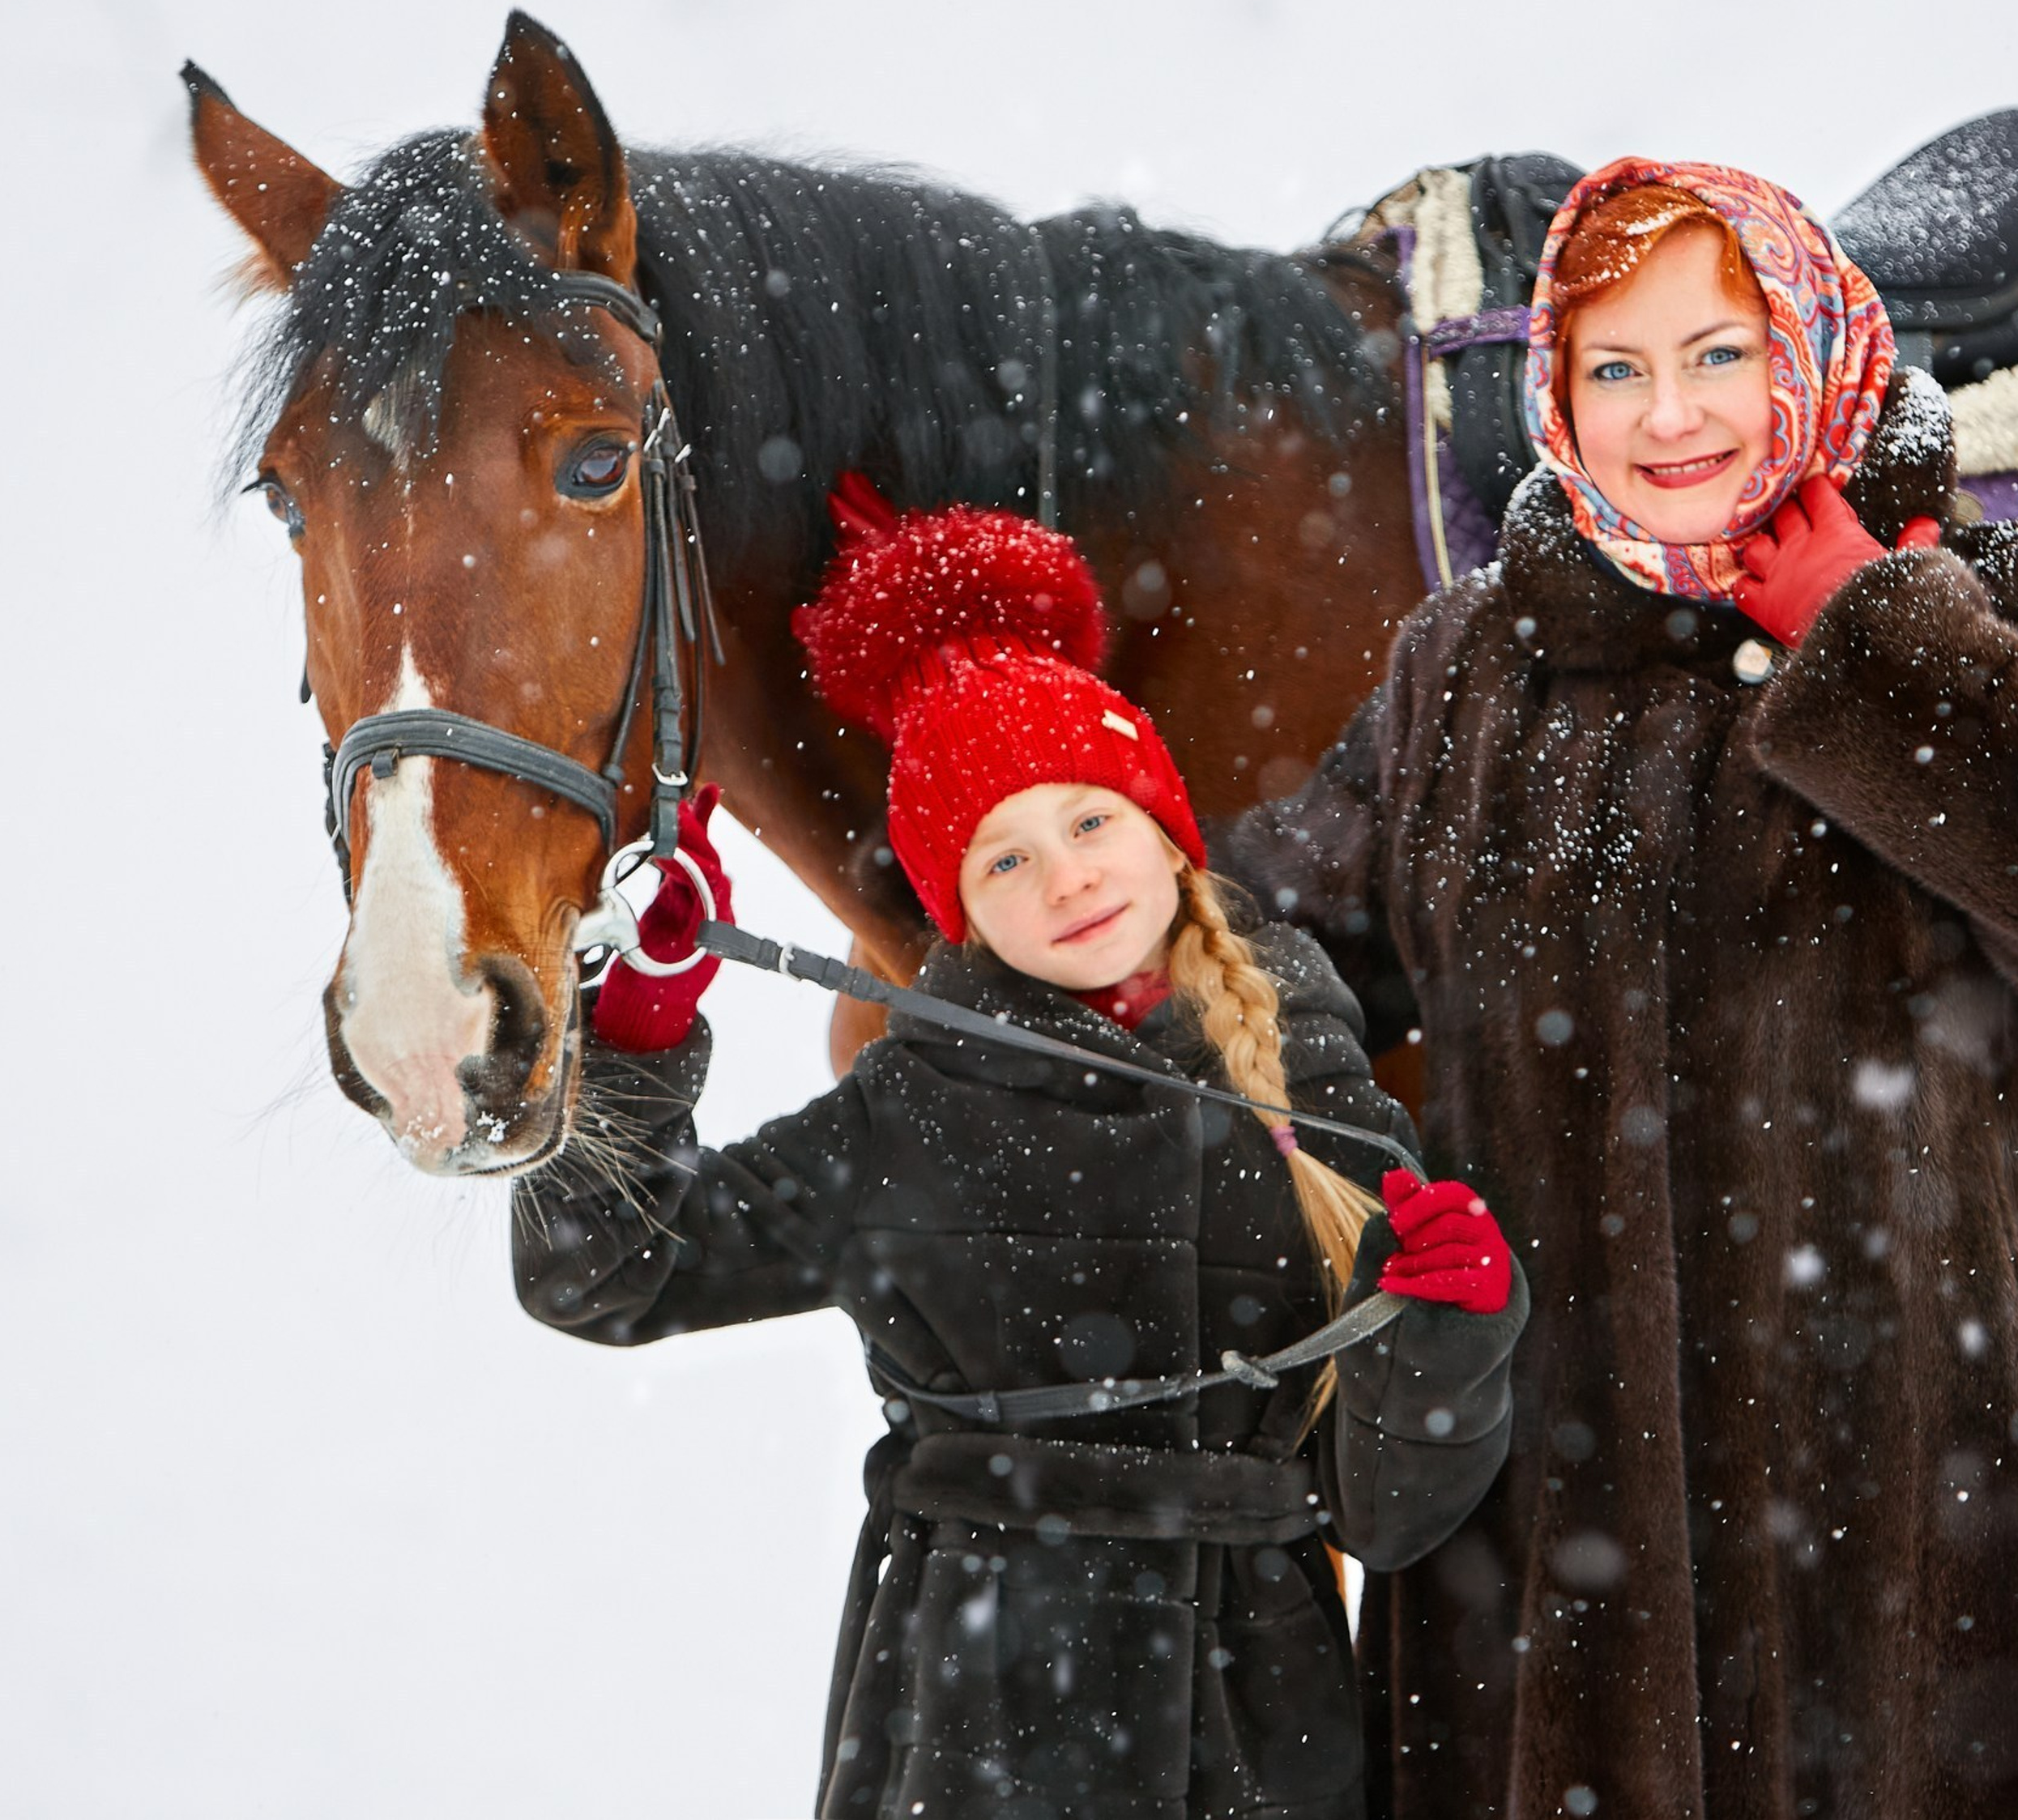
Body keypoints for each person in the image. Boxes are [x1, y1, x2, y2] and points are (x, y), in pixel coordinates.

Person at [514, 481, 1528, 1820]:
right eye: (1001, 860)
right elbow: (609, 1271)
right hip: (965, 1712)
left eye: (1092, 820)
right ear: (958, 913)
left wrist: (1452, 1325)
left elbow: (1390, 1516)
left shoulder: (1316, 1087)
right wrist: (637, 1036)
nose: (1067, 880)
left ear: (1166, 830)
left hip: (1255, 1727)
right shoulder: (910, 1114)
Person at [1222, 159, 2018, 1819]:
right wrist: (1368, 1170)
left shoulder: (1968, 624)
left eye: (1717, 354)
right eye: (1614, 366)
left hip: (1908, 1515)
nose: (1668, 416)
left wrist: (1868, 638)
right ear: (1552, 393)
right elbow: (1248, 948)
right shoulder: (1466, 666)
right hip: (1553, 1539)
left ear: (1809, 347)